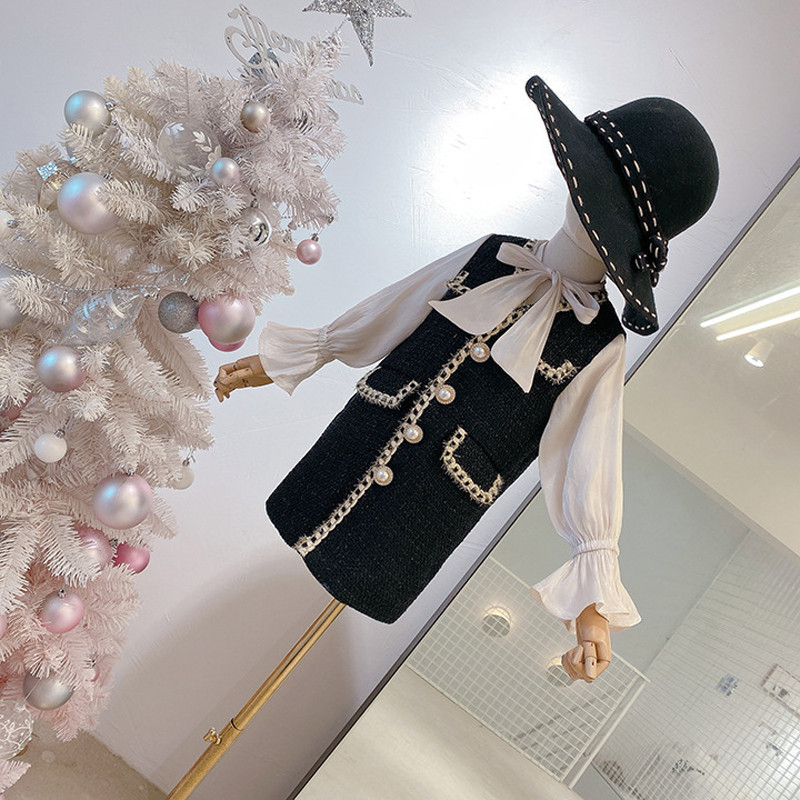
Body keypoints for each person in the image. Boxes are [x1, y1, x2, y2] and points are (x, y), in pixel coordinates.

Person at [214, 76, 719, 682]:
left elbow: (591, 459)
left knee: (362, 574)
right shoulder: (495, 251)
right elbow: (398, 307)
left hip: (428, 505)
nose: (589, 205)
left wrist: (592, 605)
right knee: (305, 511)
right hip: (358, 441)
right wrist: (301, 355)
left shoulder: (599, 343)